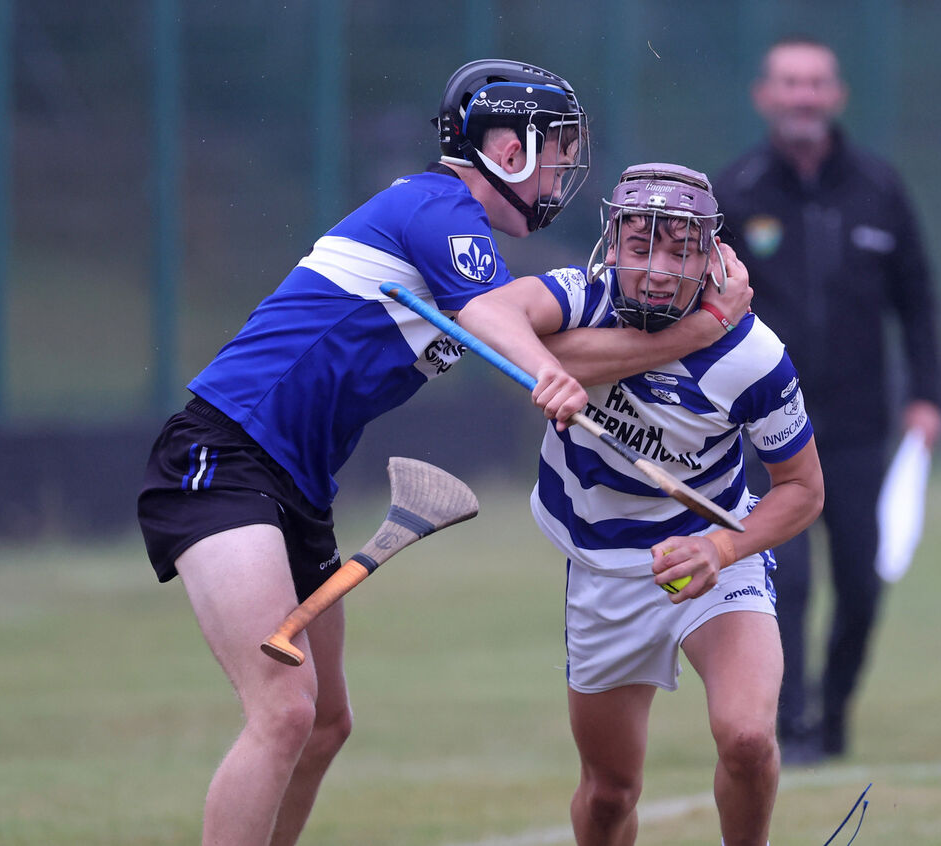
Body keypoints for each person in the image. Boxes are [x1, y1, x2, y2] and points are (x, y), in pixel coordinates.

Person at [136, 60, 751, 846]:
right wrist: (555, 368)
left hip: (295, 486)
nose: (565, 167)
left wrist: (691, 331)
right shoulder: (434, 207)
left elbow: (567, 346)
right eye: (557, 148)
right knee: (283, 712)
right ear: (506, 146)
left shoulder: (465, 245)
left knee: (325, 726)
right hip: (222, 456)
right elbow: (516, 332)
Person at [460, 163, 825, 846]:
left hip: (714, 554)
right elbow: (486, 318)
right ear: (612, 244)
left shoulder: (754, 358)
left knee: (747, 738)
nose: (657, 269)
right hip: (604, 570)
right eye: (640, 246)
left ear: (713, 255)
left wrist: (721, 548)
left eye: (680, 249)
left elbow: (803, 490)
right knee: (608, 796)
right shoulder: (581, 296)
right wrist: (681, 335)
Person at [714, 37, 941, 763]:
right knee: (786, 580)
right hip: (761, 431)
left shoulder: (879, 186)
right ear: (765, 95)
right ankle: (791, 723)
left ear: (836, 95)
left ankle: (834, 711)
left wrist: (928, 396)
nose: (803, 96)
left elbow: (918, 300)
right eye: (790, 82)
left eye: (815, 83)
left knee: (861, 580)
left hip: (855, 429)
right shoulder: (737, 190)